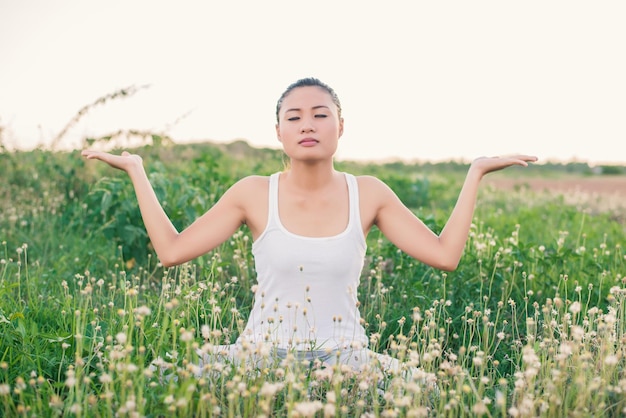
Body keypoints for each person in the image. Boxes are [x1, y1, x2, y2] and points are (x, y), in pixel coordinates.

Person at [82, 77, 537, 382]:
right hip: (260, 359)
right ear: (278, 131)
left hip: (345, 360)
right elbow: (171, 250)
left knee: (427, 391)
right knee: (160, 380)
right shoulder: (253, 193)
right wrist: (137, 170)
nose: (307, 125)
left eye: (320, 114)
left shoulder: (370, 193)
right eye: (294, 117)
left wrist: (475, 172)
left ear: (341, 126)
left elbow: (445, 256)